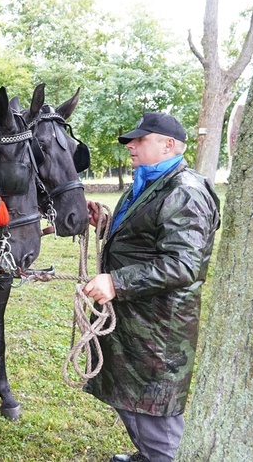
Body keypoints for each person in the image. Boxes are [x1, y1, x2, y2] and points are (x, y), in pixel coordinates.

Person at [82, 113, 221, 462]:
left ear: (168, 144)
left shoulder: (184, 191)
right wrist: (106, 220)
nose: (131, 145)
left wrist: (116, 281)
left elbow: (184, 264)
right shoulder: (152, 183)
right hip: (137, 319)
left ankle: (163, 457)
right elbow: (147, 235)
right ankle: (150, 454)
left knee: (153, 407)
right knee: (132, 397)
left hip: (158, 329)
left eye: (140, 140)